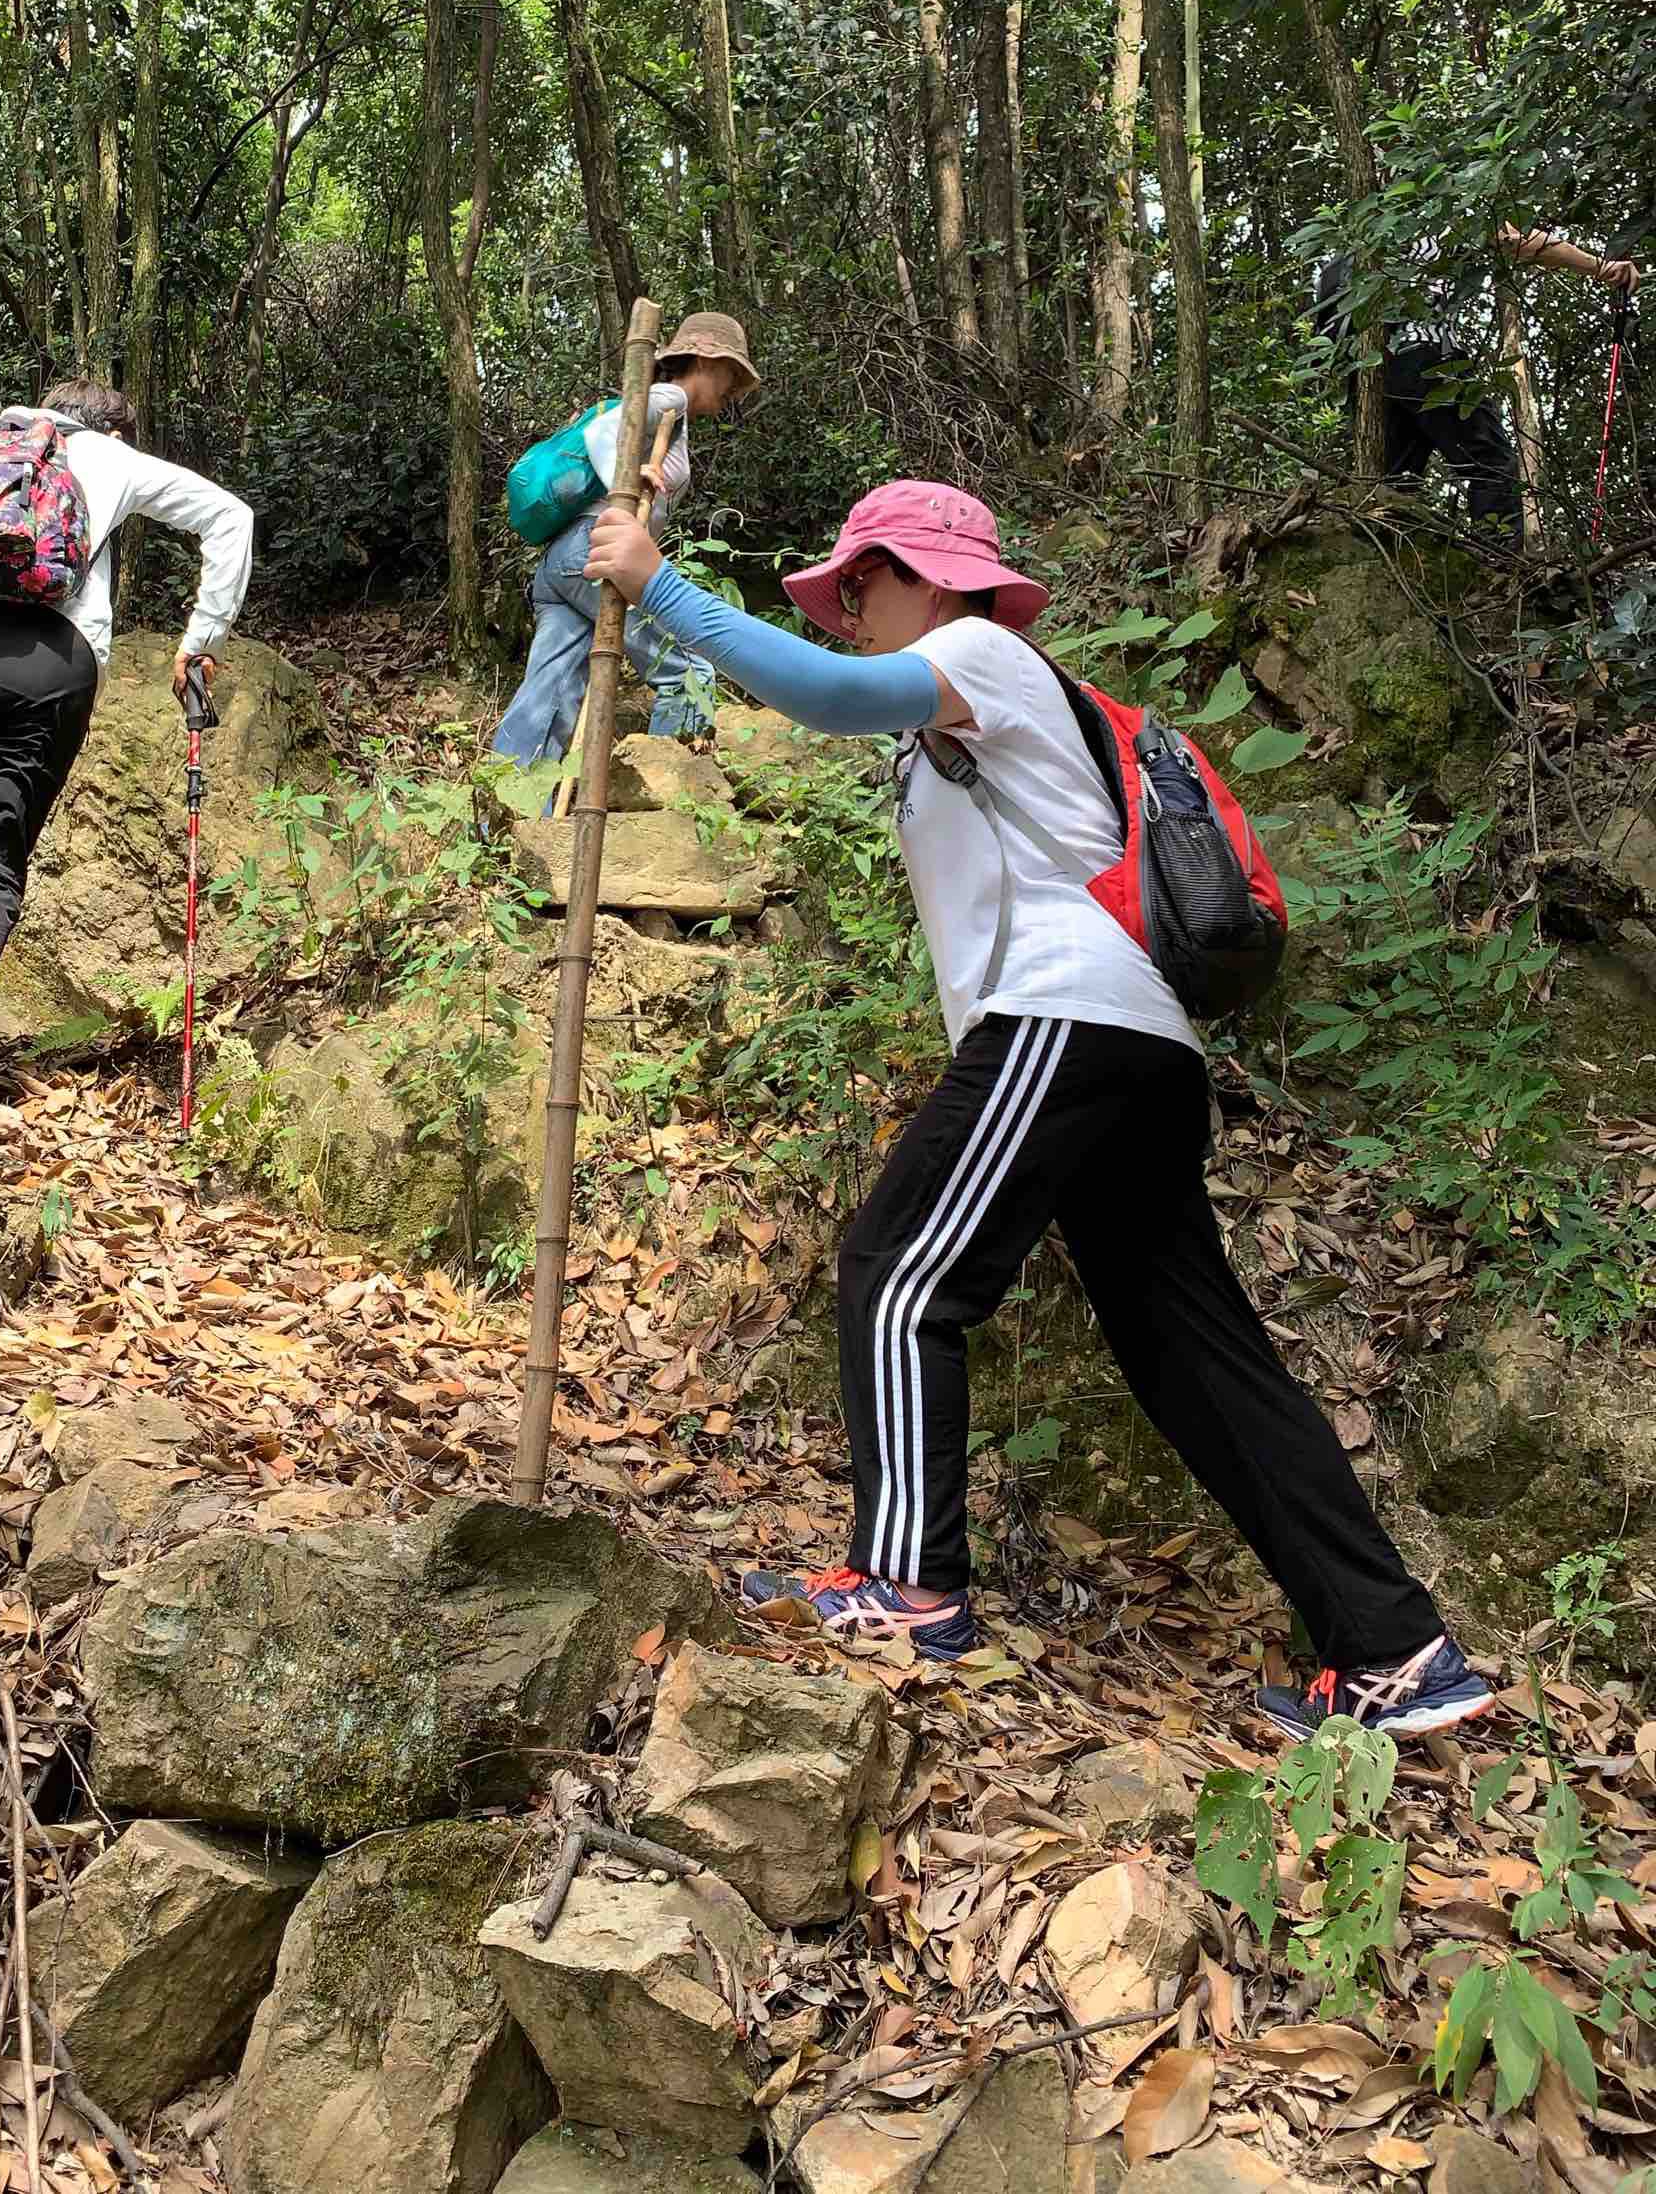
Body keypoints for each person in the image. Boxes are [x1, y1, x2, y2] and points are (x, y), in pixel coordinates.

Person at [583, 476, 1494, 1740]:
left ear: (923, 571)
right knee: (1194, 1356)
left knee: (897, 1272)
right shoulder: (968, 698)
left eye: (859, 582)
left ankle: (907, 1583)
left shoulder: (978, 650)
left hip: (1066, 1017)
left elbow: (824, 694)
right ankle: (1397, 1648)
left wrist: (656, 582)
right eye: (836, 592)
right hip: (1131, 1047)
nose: (845, 609)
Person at [0, 378, 254, 1071]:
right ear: (111, 432)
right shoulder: (111, 459)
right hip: (49, 659)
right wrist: (203, 640)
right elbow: (231, 517)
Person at [493, 312, 761, 765]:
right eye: (732, 372)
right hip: (596, 550)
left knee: (552, 689)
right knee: (687, 665)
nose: (733, 388)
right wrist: (626, 478)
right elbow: (603, 434)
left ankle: (504, 815)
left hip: (565, 561)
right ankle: (669, 793)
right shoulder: (667, 397)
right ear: (704, 361)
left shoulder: (671, 410)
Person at [1320, 225, 1641, 537]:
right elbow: (1523, 242)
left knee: (1393, 484)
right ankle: (1502, 567)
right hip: (1424, 351)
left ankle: (1391, 568)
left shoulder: (1376, 223)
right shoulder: (1452, 204)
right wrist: (1600, 267)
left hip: (1368, 369)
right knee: (1491, 462)